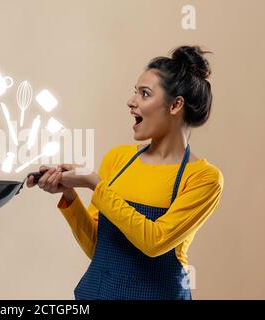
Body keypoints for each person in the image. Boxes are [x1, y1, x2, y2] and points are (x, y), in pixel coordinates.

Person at [27, 45, 224, 300]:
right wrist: (70, 195)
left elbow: (154, 242)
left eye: (144, 94)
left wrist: (95, 185)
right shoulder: (119, 159)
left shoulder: (203, 178)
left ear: (175, 105)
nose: (131, 102)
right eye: (135, 93)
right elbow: (98, 248)